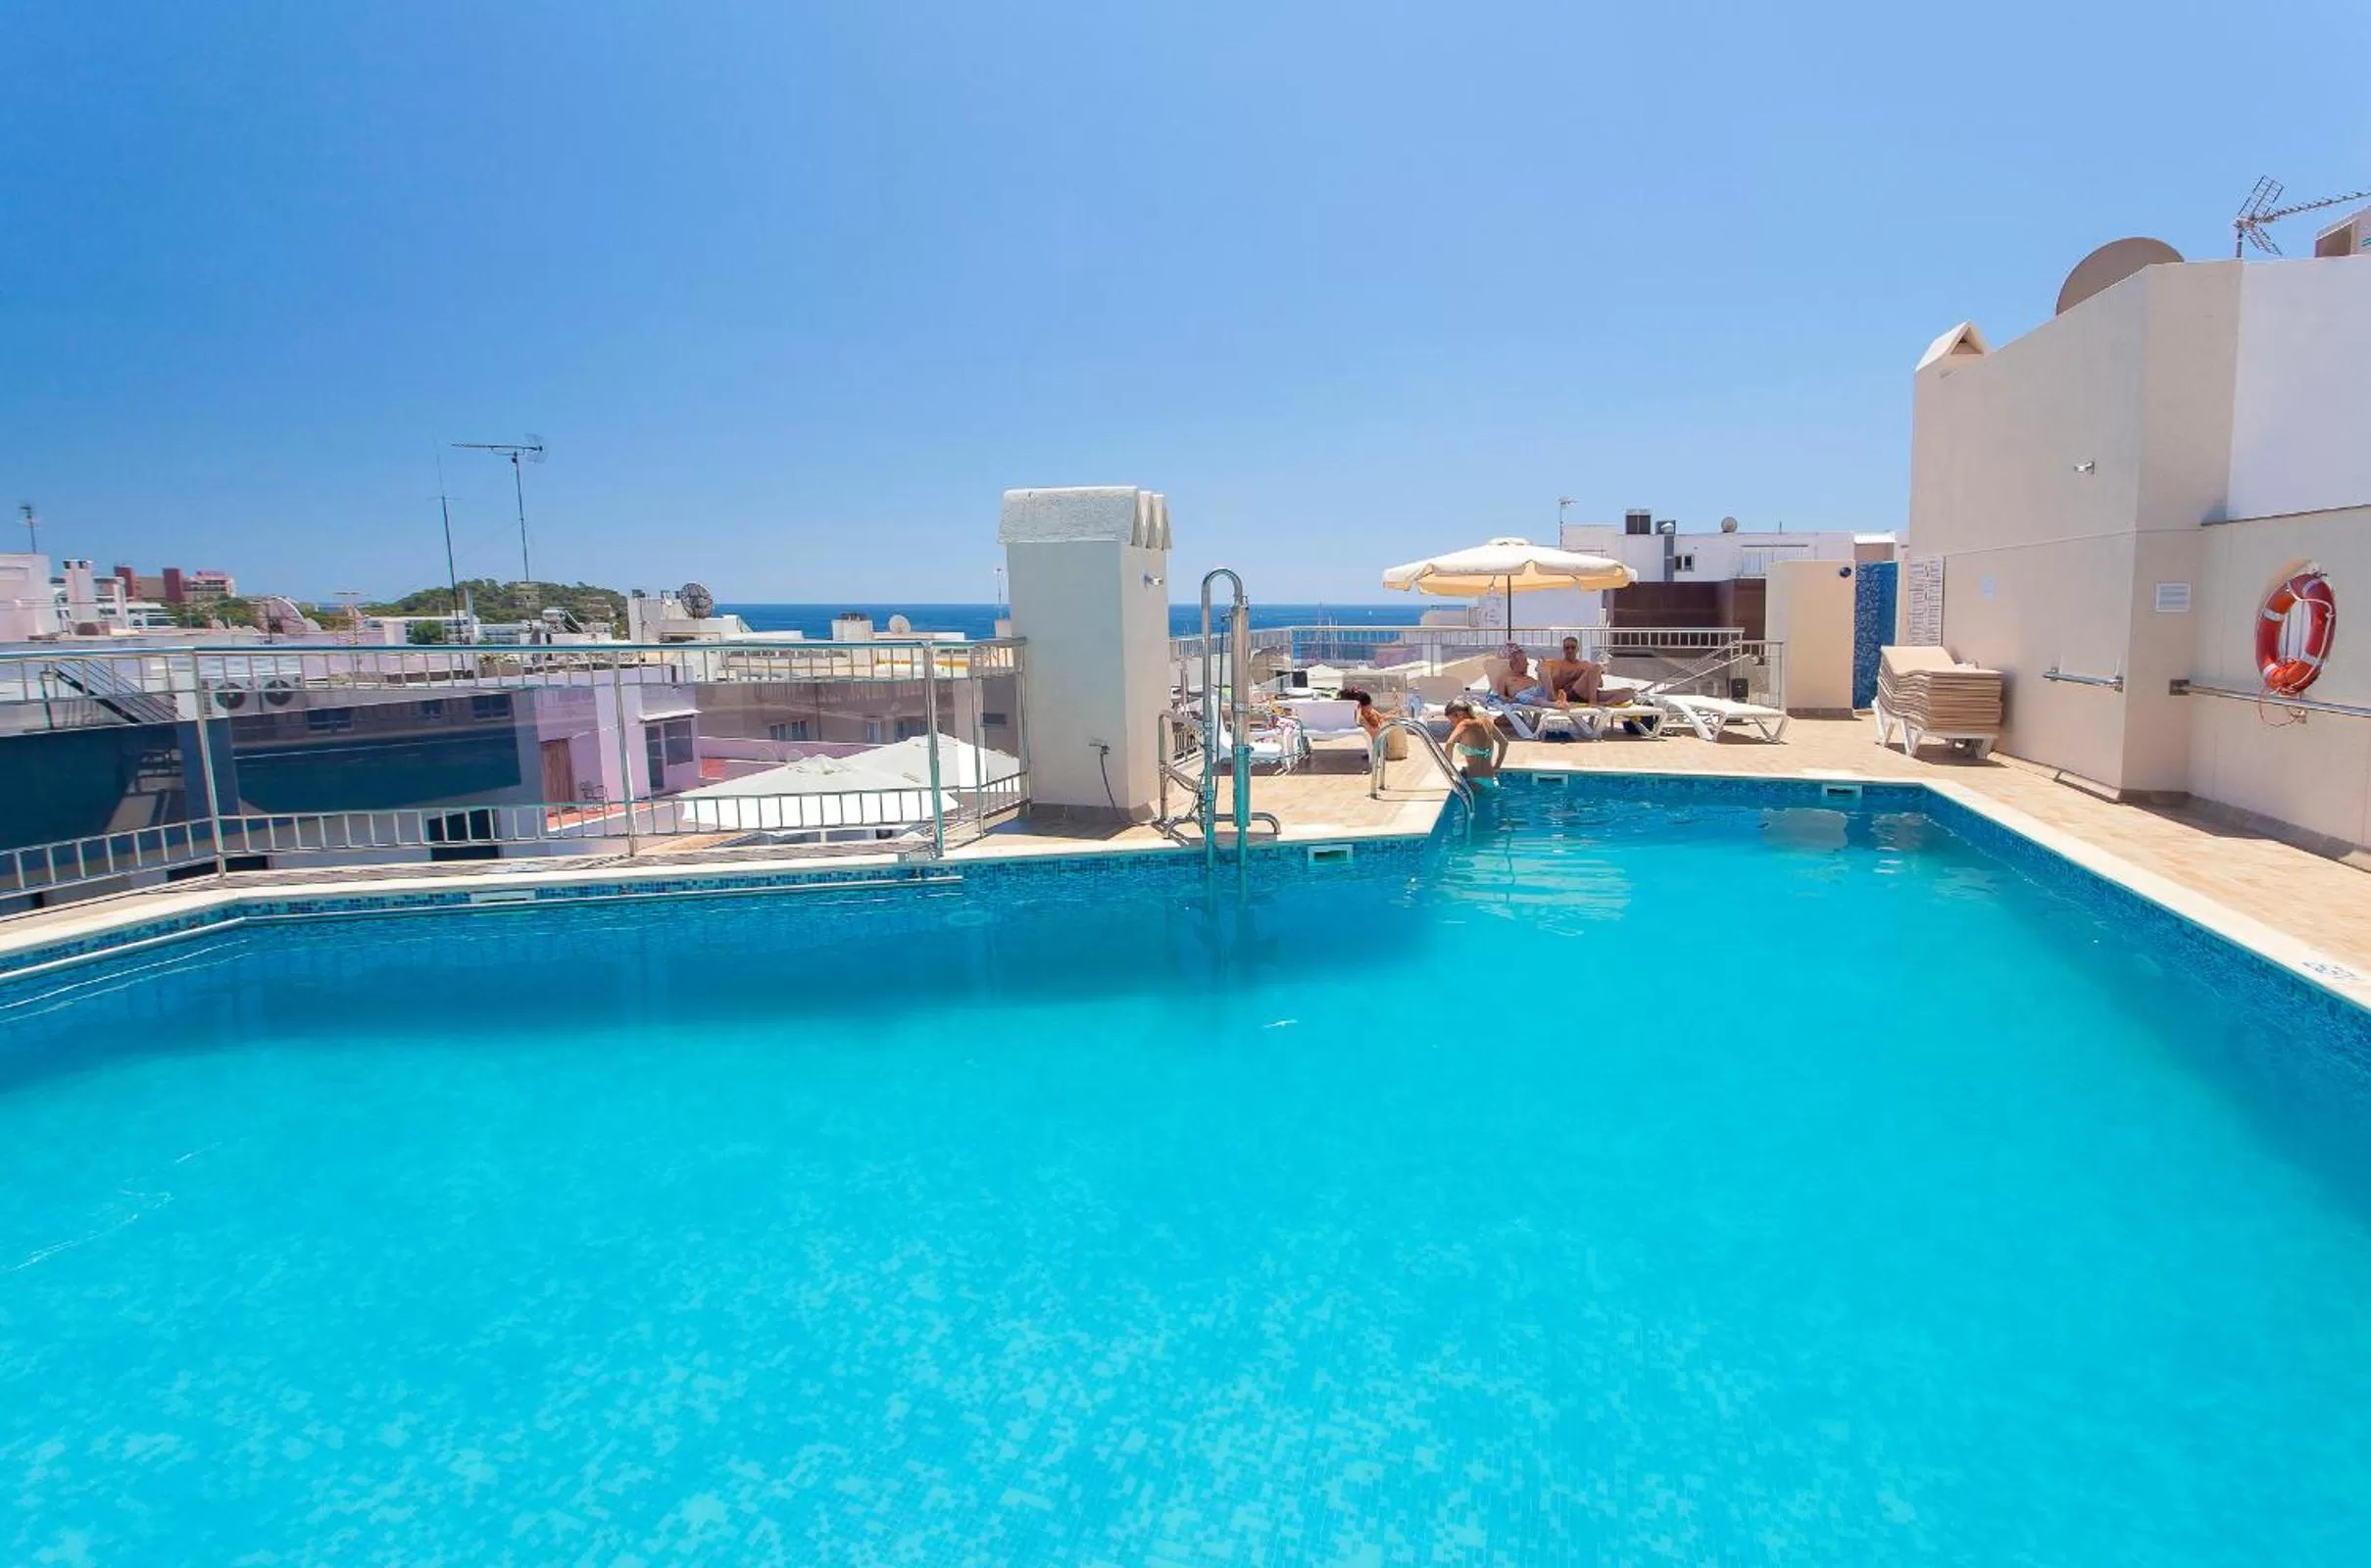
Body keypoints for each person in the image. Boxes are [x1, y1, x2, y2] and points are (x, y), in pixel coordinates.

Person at [1443, 698, 1506, 788]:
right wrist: (1497, 766)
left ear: (1460, 714)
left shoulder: (1465, 724)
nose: (1452, 724)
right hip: (1491, 779)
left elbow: (1449, 743)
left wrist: (1448, 769)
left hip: (1476, 781)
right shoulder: (1486, 721)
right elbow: (1504, 743)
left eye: (1452, 720)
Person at [1542, 636, 1608, 706]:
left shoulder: (1586, 665)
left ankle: (1604, 703)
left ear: (1577, 649)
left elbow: (1600, 684)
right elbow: (1551, 683)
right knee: (1597, 667)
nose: (1570, 650)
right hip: (1570, 694)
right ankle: (1593, 702)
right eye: (1567, 648)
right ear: (1563, 650)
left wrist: (1585, 677)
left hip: (1587, 694)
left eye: (1573, 647)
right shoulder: (1557, 664)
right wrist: (1572, 675)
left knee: (1620, 693)